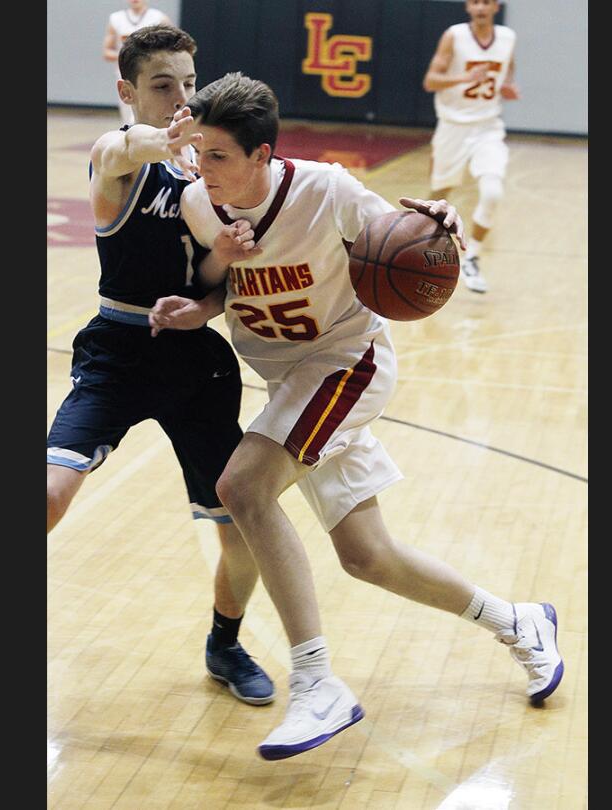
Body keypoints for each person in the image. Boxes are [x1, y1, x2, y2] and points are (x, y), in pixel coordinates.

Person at [149, 72, 562, 761]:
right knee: (368, 557)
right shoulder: (199, 203)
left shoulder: (326, 190)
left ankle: (317, 681)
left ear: (263, 155)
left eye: (218, 155)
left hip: (347, 361)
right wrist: (195, 308)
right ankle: (520, 622)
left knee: (242, 487)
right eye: (198, 152)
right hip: (289, 381)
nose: (203, 167)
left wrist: (439, 226)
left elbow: (405, 240)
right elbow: (223, 289)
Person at [47, 26, 274, 706]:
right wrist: (169, 137)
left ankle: (225, 644)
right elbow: (129, 145)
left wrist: (224, 262)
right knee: (51, 491)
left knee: (242, 522)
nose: (181, 97)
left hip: (195, 360)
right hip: (118, 347)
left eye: (188, 83)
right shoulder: (118, 156)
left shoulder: (211, 173)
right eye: (162, 85)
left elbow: (206, 278)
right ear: (127, 91)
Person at [421, 0, 519, 294]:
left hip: (488, 127)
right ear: (467, 6)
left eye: (486, 2)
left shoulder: (508, 37)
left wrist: (506, 86)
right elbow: (430, 81)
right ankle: (417, 252)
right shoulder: (454, 35)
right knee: (438, 197)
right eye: (475, 1)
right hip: (453, 126)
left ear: (496, 6)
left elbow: (508, 69)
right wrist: (466, 77)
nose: (480, 7)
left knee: (492, 191)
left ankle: (473, 257)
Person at [102, 1, 173, 125]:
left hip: (152, 73)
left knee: (149, 107)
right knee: (128, 113)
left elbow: (173, 46)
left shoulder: (159, 18)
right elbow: (107, 52)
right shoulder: (116, 18)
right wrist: (128, 56)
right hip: (125, 74)